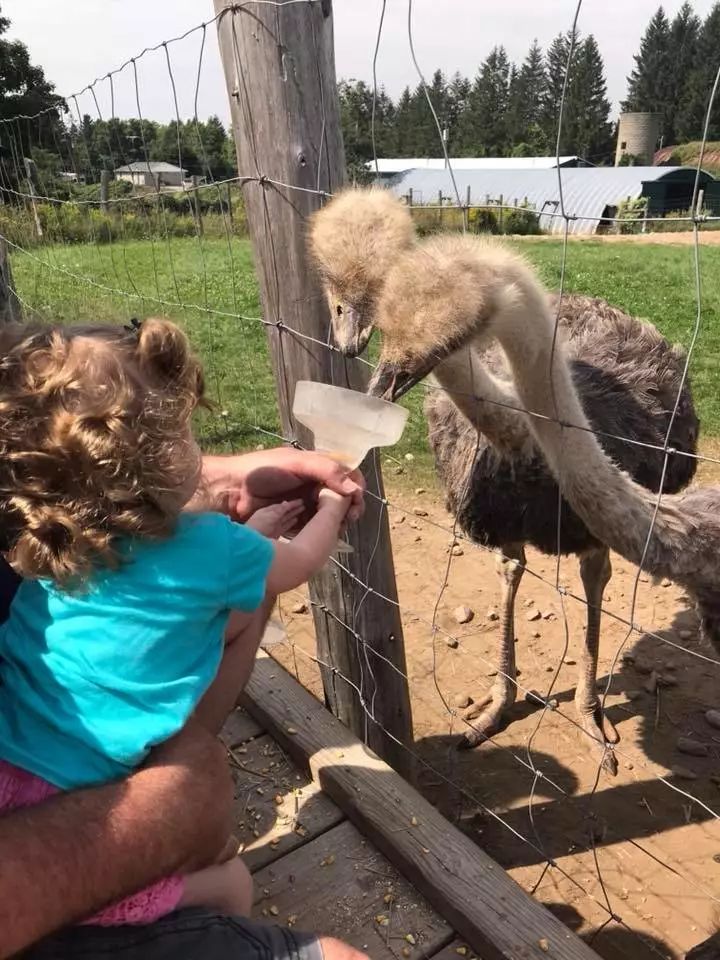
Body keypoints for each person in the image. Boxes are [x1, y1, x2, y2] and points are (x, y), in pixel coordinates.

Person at [0, 319, 367, 959]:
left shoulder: (59, 530)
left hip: (13, 773)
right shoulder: (213, 546)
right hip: (81, 809)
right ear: (168, 454)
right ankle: (193, 892)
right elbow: (295, 564)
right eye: (184, 432)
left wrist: (249, 518)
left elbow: (179, 555)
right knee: (232, 885)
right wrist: (332, 505)